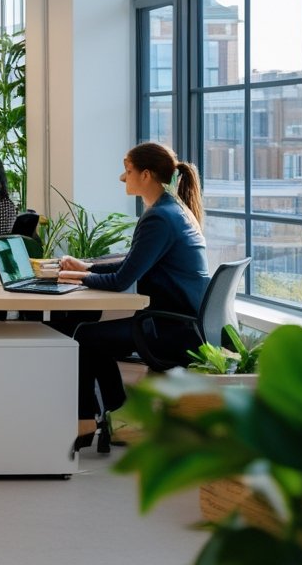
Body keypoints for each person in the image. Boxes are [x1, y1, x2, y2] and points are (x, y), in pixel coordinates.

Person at [54, 142, 210, 436]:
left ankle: (90, 421)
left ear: (146, 175)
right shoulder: (171, 209)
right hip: (180, 321)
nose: (122, 178)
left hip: (169, 328)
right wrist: (86, 268)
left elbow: (121, 281)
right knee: (89, 334)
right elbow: (133, 262)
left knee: (83, 336)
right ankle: (121, 417)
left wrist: (74, 279)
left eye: (128, 171)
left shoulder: (160, 217)